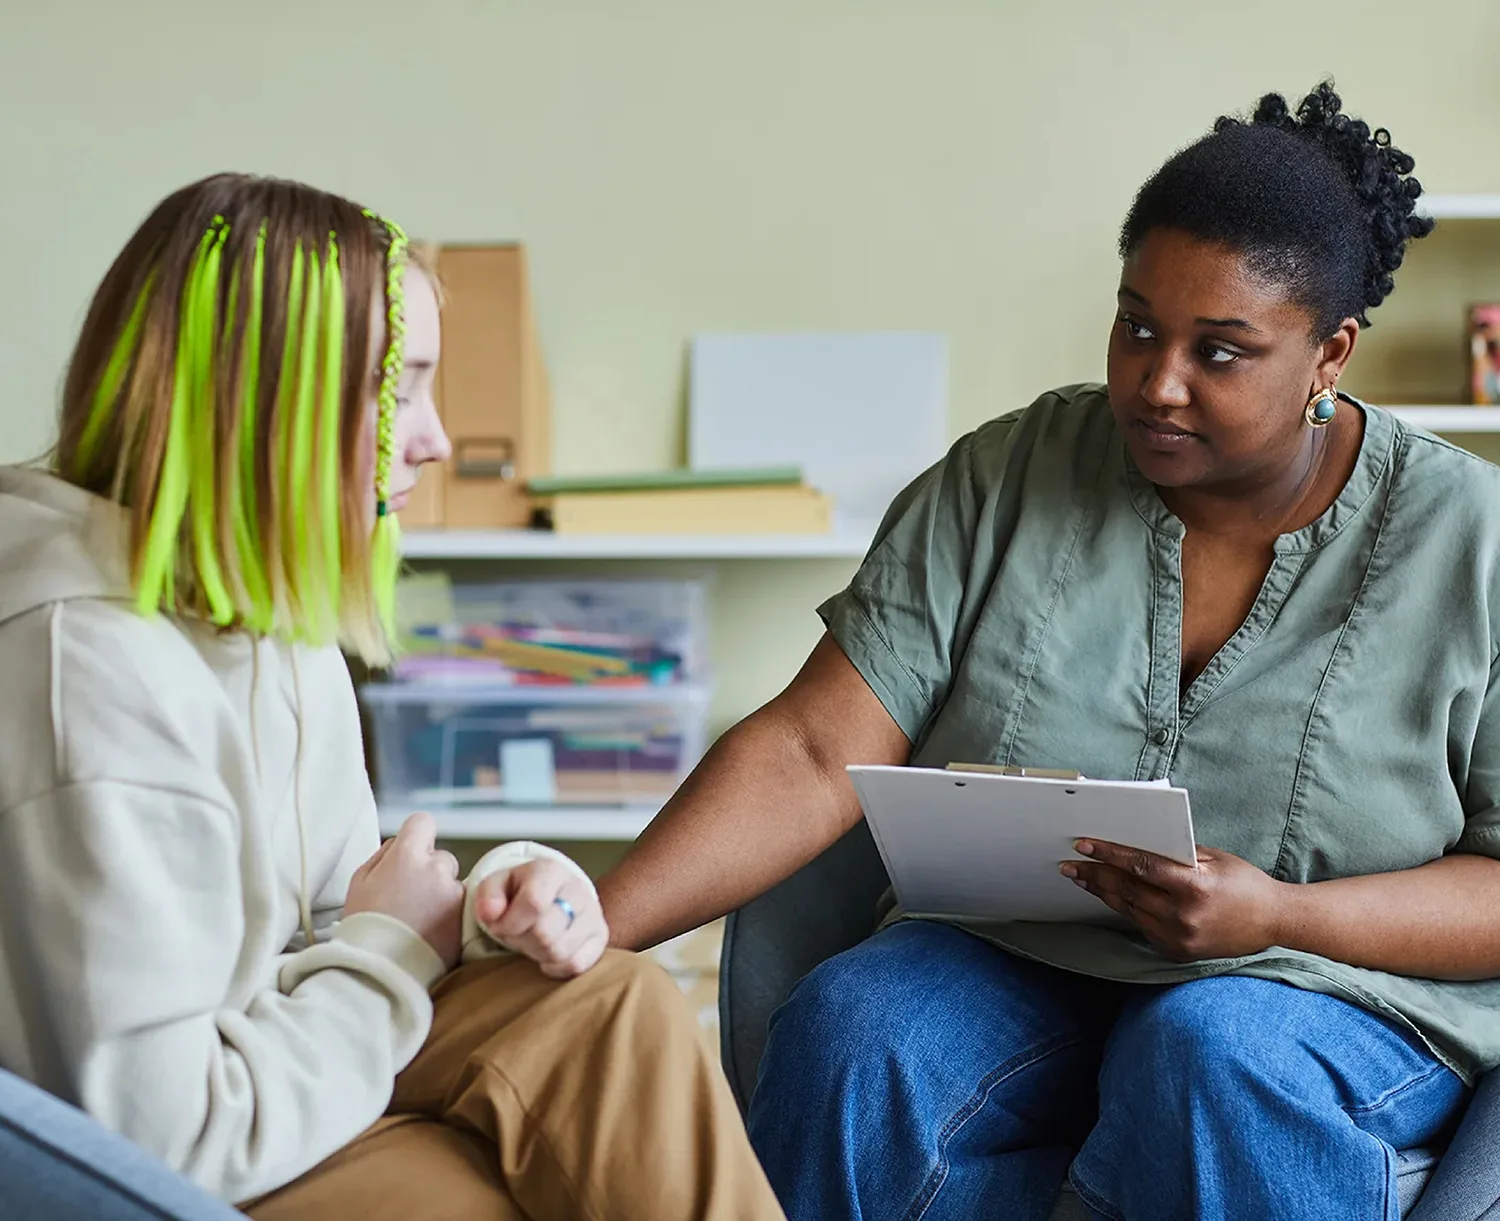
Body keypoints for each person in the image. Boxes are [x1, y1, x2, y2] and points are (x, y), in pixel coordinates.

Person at [597, 83, 1500, 1221]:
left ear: (1329, 355)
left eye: (1220, 353)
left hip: (1334, 987)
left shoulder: (1475, 543)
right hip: (1020, 958)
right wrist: (591, 931)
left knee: (1213, 1049)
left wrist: (1280, 916)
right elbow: (815, 746)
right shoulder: (1007, 475)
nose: (1156, 383)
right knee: (859, 1029)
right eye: (1136, 325)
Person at [0, 174, 783, 1221]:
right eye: (400, 389)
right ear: (274, 400)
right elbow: (165, 1140)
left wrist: (499, 904)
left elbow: (338, 908)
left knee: (620, 1001)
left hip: (273, 1060)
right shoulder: (84, 670)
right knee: (484, 1195)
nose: (437, 440)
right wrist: (386, 949)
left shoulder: (268, 616)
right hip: (178, 1153)